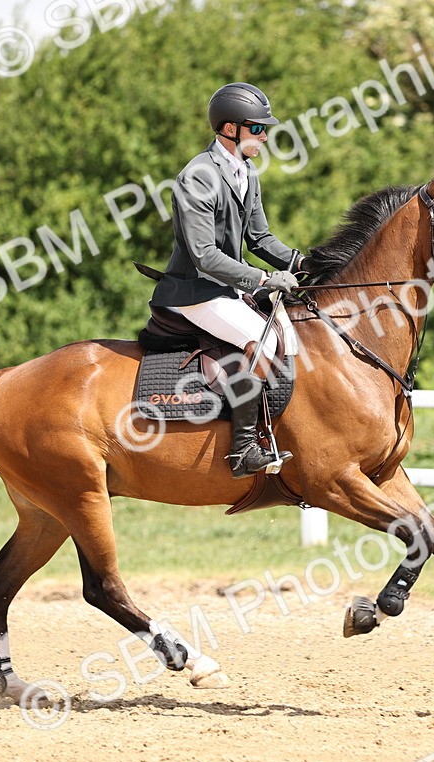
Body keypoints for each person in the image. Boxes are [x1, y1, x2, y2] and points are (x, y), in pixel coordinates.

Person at [150, 82, 304, 479]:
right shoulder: (198, 177)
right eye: (257, 128)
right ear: (230, 128)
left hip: (226, 286)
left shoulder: (247, 173)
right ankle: (243, 451)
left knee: (294, 332)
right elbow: (203, 256)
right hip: (194, 290)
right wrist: (264, 278)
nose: (265, 136)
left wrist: (303, 263)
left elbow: (259, 238)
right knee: (264, 340)